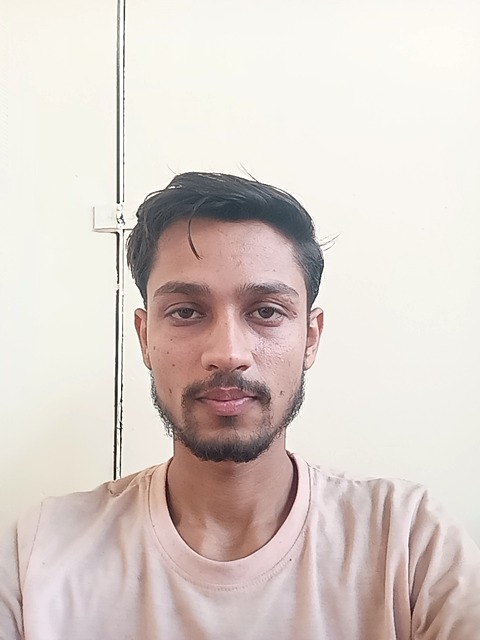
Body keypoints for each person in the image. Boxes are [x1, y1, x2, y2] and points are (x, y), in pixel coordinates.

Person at [1, 172, 479, 639]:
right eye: (186, 312)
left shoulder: (409, 540)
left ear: (310, 338)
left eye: (266, 311)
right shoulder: (38, 553)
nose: (228, 353)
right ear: (145, 338)